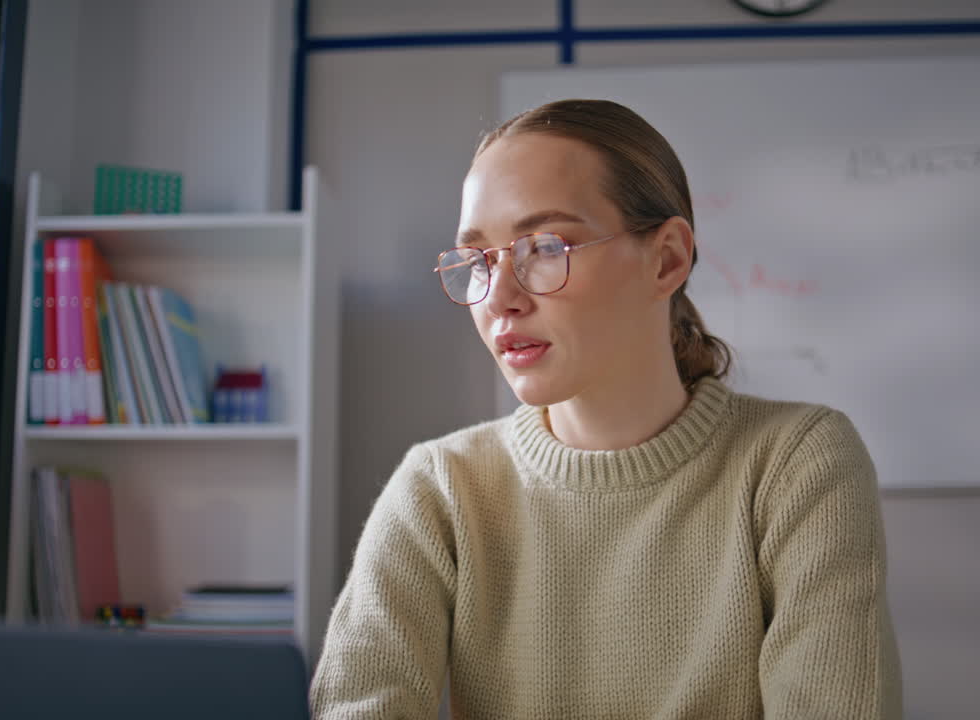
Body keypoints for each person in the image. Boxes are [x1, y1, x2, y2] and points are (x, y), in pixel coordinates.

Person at [310, 99, 902, 719]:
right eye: (479, 259)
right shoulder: (440, 487)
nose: (500, 297)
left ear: (666, 259)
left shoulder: (797, 462)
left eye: (544, 246)